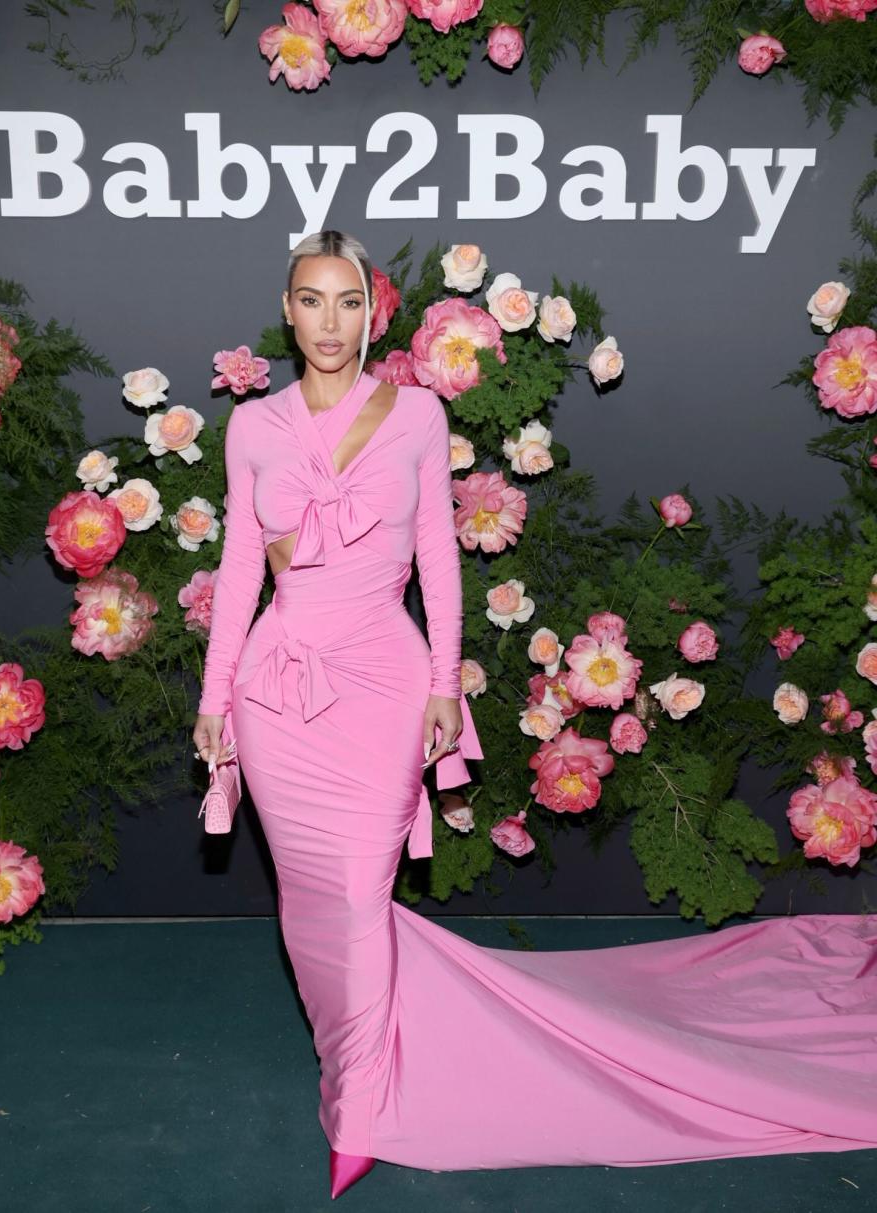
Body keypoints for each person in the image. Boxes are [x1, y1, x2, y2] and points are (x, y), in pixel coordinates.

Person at [193, 230, 877, 1199]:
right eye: (312, 300)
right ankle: (354, 1057)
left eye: (349, 302)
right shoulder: (252, 428)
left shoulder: (419, 415)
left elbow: (439, 553)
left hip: (384, 683)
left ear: (374, 311)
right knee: (311, 903)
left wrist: (441, 684)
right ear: (288, 308)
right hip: (277, 689)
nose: (331, 321)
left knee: (353, 894)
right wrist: (215, 696)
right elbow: (233, 575)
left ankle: (358, 1096)